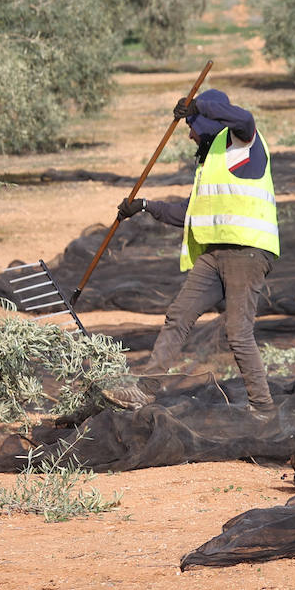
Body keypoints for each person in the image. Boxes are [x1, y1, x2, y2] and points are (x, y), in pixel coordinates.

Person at [109, 88, 279, 419]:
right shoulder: (211, 158)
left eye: (192, 125)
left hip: (247, 253)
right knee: (178, 315)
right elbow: (191, 213)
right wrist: (145, 206)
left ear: (207, 120)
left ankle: (263, 409)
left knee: (238, 333)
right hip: (215, 255)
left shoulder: (242, 143)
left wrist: (196, 104)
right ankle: (146, 390)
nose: (189, 133)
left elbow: (243, 117)